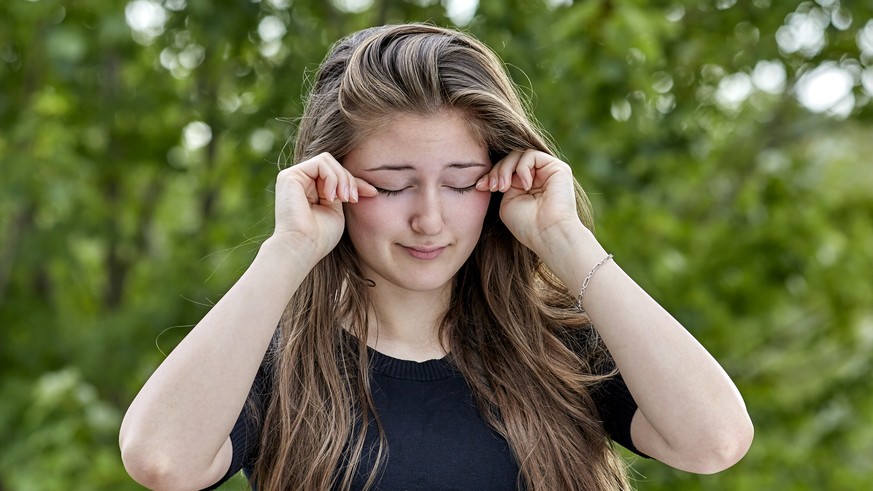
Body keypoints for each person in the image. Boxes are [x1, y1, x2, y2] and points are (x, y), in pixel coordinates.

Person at [119, 23, 753, 491]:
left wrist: (565, 238)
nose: (429, 217)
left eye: (459, 182)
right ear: (331, 180)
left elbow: (715, 441)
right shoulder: (282, 358)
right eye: (393, 184)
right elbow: (162, 461)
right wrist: (287, 252)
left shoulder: (558, 346)